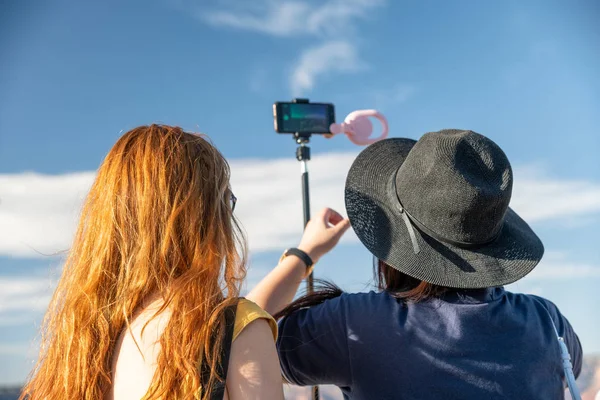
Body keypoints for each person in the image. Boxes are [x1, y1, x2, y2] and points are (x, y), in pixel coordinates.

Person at [248, 129, 583, 399]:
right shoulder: (549, 324)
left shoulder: (355, 325)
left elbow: (237, 341)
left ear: (394, 238)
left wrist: (305, 254)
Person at [21, 125, 284, 400]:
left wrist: (303, 255)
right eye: (225, 201)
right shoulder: (233, 331)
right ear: (204, 217)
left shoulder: (81, 348)